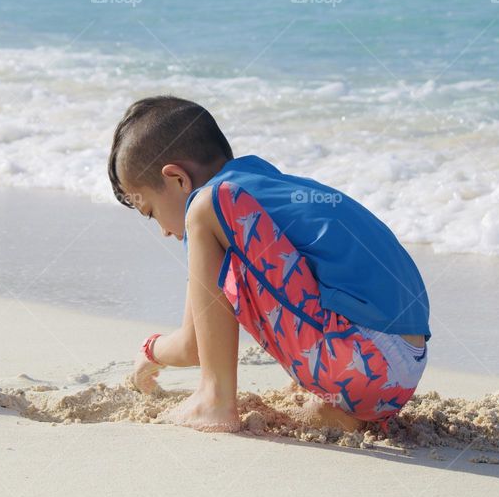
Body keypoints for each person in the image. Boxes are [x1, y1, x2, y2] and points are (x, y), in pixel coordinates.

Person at [108, 95, 430, 433]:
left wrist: (150, 350)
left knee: (205, 207)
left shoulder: (216, 203)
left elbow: (193, 346)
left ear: (177, 180)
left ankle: (213, 400)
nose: (163, 231)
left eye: (151, 212)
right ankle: (344, 410)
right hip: (401, 369)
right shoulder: (262, 189)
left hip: (365, 361)